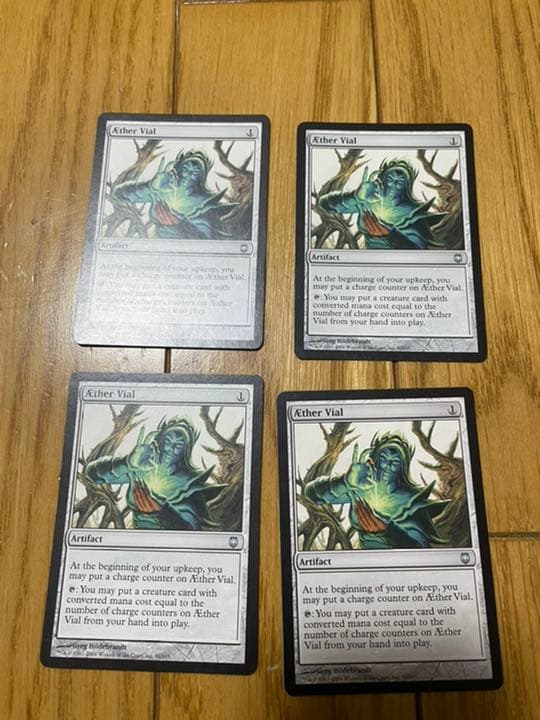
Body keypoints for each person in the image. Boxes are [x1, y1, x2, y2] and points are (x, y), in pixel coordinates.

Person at [303, 433, 449, 549]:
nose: (388, 465)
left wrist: (388, 530)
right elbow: (311, 495)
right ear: (375, 460)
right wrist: (344, 482)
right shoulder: (359, 489)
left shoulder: (412, 499)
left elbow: (421, 547)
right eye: (384, 458)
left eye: (395, 462)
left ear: (402, 467)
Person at [85, 417, 225, 530]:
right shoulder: (140, 469)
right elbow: (91, 474)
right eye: (168, 441)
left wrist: (163, 512)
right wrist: (127, 463)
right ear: (161, 442)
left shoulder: (190, 482)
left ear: (185, 450)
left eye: (178, 445)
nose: (171, 449)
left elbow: (191, 529)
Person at [318, 159, 445, 249]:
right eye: (390, 179)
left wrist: (391, 236)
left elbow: (419, 249)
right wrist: (355, 196)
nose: (393, 185)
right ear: (383, 180)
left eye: (399, 182)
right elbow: (325, 205)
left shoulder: (413, 212)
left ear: (406, 186)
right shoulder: (367, 202)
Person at [112, 149, 237, 239]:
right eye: (186, 169)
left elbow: (208, 239)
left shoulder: (205, 203)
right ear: (178, 169)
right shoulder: (162, 191)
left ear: (201, 178)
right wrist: (150, 186)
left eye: (195, 172)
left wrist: (179, 226)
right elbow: (118, 194)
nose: (189, 174)